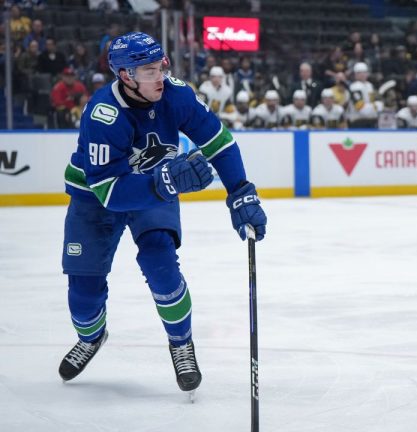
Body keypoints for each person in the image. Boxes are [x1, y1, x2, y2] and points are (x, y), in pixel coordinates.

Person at [58, 32, 267, 397]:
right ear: (126, 76)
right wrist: (165, 181)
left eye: (162, 66)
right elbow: (110, 191)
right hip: (97, 196)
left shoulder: (176, 94)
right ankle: (91, 337)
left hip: (157, 184)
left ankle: (181, 342)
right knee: (83, 293)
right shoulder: (103, 114)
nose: (161, 77)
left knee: (162, 265)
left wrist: (240, 192)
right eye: (151, 71)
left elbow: (219, 142)